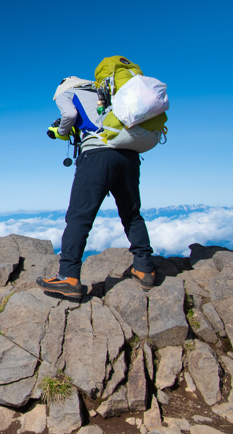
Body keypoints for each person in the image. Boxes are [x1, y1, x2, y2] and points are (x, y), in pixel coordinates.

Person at [36, 76, 156, 298]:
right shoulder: (109, 94)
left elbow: (69, 115)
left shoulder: (67, 93)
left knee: (79, 218)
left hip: (97, 157)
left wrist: (61, 132)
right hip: (128, 156)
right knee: (131, 214)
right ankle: (144, 268)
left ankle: (68, 276)